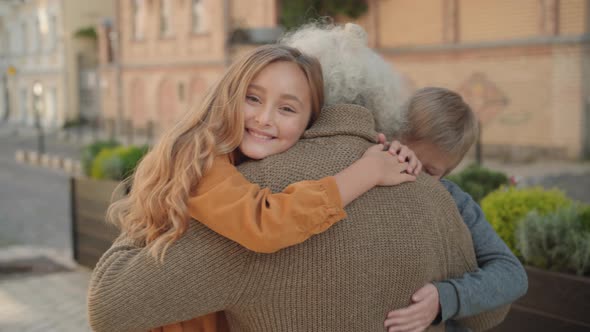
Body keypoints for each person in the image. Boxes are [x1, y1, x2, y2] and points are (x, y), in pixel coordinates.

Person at [90, 44, 420, 332]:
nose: (264, 118)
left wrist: (382, 146)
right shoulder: (202, 158)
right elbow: (263, 223)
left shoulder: (236, 157)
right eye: (253, 98)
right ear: (228, 95)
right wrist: (366, 171)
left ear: (311, 125)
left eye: (287, 109)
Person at [281, 23, 527, 332]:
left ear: (448, 172)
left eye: (430, 171)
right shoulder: (364, 165)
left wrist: (445, 296)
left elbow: (511, 274)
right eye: (402, 150)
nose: (412, 169)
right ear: (389, 129)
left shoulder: (455, 201)